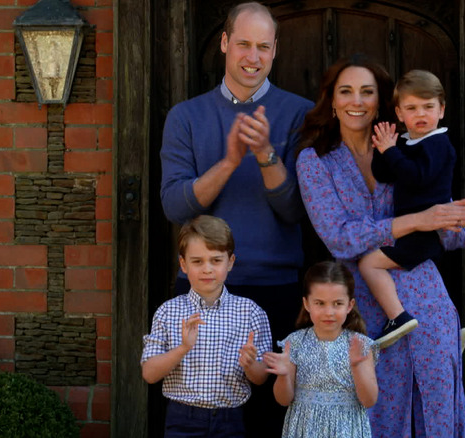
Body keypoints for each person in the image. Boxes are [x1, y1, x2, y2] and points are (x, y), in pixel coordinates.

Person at [295, 54, 465, 437]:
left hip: (426, 296)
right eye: (346, 92)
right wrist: (416, 221)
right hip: (360, 304)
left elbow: (447, 229)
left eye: (367, 92)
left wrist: (455, 222)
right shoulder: (315, 161)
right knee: (372, 414)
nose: (356, 101)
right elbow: (338, 236)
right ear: (332, 100)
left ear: (379, 103)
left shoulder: (410, 148)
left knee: (435, 406)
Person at [158, 2, 313, 435]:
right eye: (243, 43)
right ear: (225, 43)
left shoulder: (301, 114)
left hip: (276, 289)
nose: (253, 56)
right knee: (203, 413)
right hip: (203, 290)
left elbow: (297, 211)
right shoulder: (186, 117)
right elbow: (175, 207)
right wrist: (228, 162)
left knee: (271, 418)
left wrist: (265, 155)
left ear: (276, 50)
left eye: (263, 46)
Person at [141, 215, 272, 438]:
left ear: (230, 262)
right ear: (183, 264)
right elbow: (149, 374)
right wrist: (182, 348)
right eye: (197, 261)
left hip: (230, 418)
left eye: (216, 260)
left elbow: (261, 378)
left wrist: (250, 364)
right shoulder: (168, 312)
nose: (207, 269)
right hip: (182, 418)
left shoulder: (250, 312)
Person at [358, 69, 456, 349]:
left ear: (442, 110)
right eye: (412, 108)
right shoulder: (408, 142)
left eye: (428, 107)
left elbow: (416, 177)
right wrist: (383, 148)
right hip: (411, 229)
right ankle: (443, 333)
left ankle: (397, 317)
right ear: (400, 114)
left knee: (369, 263)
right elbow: (385, 174)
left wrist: (392, 151)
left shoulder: (438, 144)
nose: (421, 114)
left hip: (424, 233)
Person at [265, 261, 378, 438]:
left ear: (350, 305)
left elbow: (369, 400)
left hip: (346, 429)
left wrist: (356, 367)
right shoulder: (294, 342)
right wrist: (283, 375)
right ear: (307, 304)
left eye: (337, 303)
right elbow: (283, 399)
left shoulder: (360, 345)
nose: (329, 312)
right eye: (320, 303)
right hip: (305, 428)